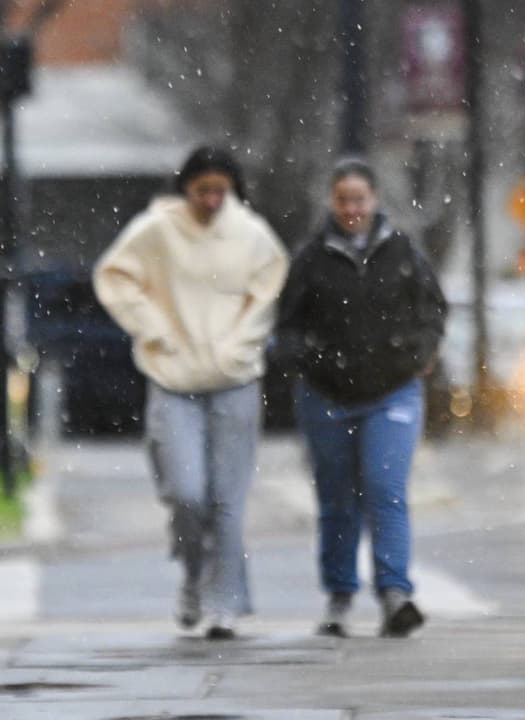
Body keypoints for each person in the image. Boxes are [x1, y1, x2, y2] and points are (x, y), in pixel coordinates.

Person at [93, 146, 289, 639]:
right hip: (174, 379)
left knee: (227, 500)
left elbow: (268, 293)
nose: (211, 200)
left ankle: (224, 602)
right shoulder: (157, 229)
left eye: (221, 190)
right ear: (186, 188)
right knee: (186, 493)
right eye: (203, 190)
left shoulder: (250, 234)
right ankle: (192, 575)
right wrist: (152, 329)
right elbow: (114, 276)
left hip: (234, 381)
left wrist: (239, 346)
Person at [272, 158, 447, 639]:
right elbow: (286, 324)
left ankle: (395, 594)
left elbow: (432, 309)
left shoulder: (403, 252)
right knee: (336, 498)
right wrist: (306, 358)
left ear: (374, 201)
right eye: (343, 200)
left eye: (360, 199)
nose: (352, 209)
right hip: (326, 394)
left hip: (392, 390)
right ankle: (339, 596)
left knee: (385, 487)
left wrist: (420, 352)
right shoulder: (310, 259)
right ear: (332, 202)